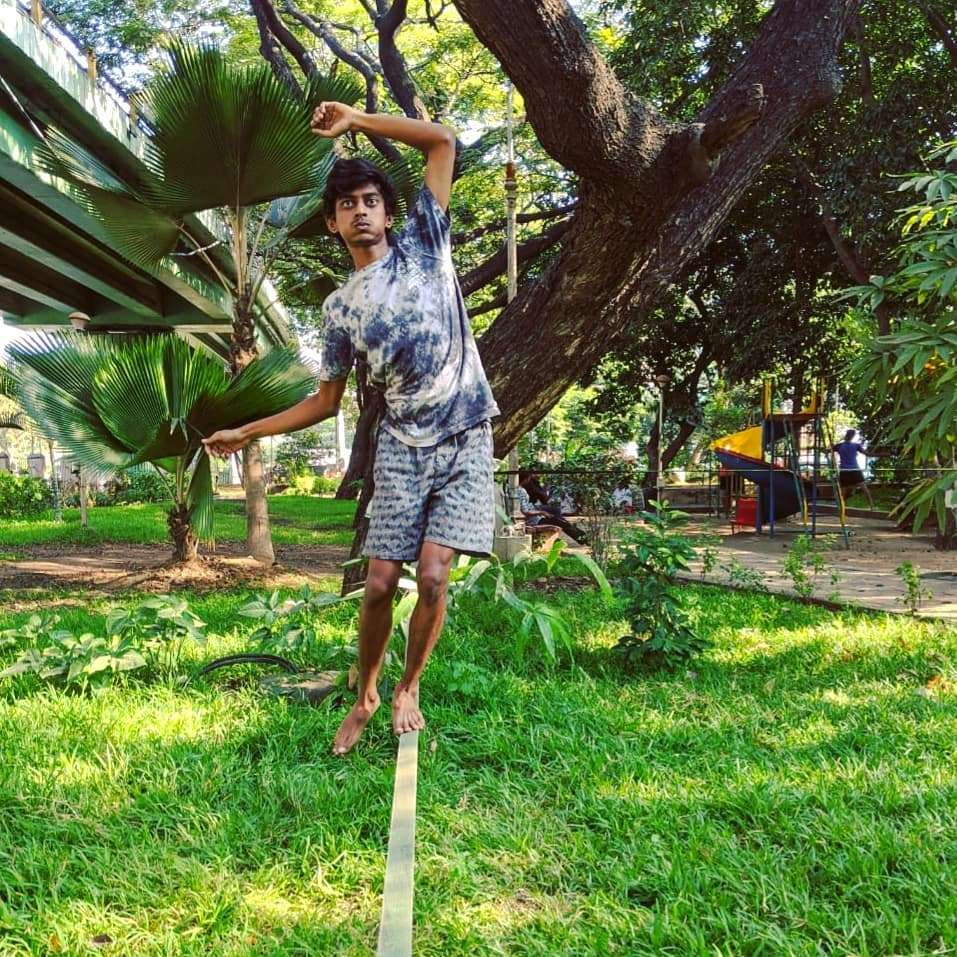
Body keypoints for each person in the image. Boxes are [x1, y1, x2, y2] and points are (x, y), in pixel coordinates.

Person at [202, 102, 500, 755]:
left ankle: (407, 686)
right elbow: (324, 401)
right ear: (334, 223)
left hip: (466, 432)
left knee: (433, 575)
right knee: (376, 584)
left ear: (388, 212)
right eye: (347, 205)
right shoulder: (340, 311)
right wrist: (247, 430)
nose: (361, 210)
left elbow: (442, 141)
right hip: (400, 445)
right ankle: (366, 690)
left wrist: (359, 120)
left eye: (371, 200)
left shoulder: (427, 242)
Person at [832, 428, 874, 509]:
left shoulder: (842, 445)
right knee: (862, 488)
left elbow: (827, 450)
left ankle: (841, 507)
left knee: (847, 491)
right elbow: (867, 454)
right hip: (851, 470)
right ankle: (871, 505)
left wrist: (831, 447)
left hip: (849, 470)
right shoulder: (851, 445)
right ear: (852, 436)